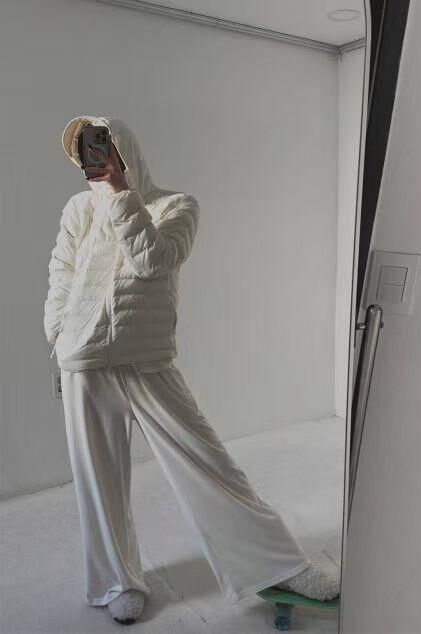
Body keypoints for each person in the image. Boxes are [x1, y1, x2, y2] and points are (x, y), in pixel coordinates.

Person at [43, 115, 340, 625]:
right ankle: (117, 582)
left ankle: (280, 565)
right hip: (83, 359)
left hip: (146, 357)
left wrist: (120, 195)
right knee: (97, 480)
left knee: (209, 464)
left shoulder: (177, 205)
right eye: (86, 147)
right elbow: (61, 272)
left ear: (123, 148)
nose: (95, 154)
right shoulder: (77, 209)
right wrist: (59, 332)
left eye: (103, 143)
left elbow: (153, 261)